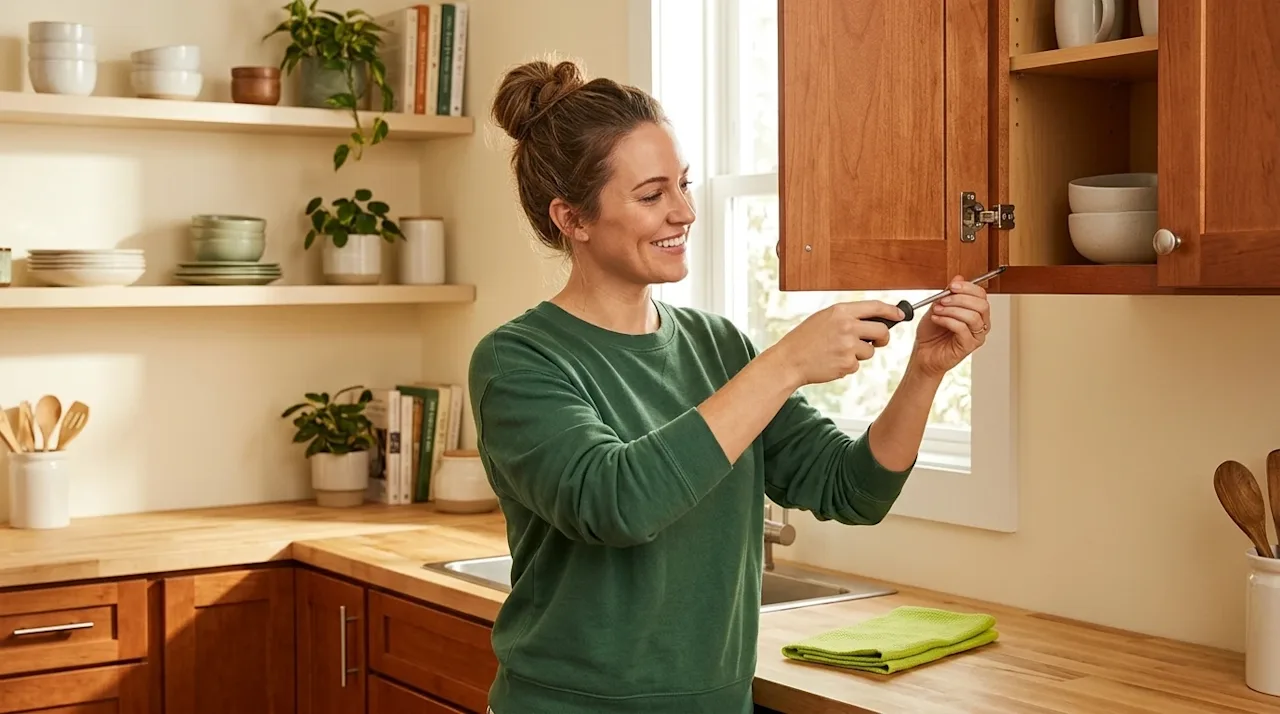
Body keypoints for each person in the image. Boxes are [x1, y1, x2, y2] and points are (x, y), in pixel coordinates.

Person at [468, 58, 994, 714]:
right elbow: (617, 503)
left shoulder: (718, 346)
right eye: (652, 195)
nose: (685, 212)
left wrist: (924, 375)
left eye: (683, 185)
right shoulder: (519, 360)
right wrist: (785, 363)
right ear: (572, 218)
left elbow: (852, 490)